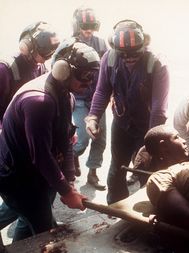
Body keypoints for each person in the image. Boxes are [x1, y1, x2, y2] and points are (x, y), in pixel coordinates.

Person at [0, 38, 100, 241]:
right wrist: (67, 192)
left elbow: (66, 139)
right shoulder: (39, 101)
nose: (89, 83)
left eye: (92, 76)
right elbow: (42, 155)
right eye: (84, 76)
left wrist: (69, 181)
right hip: (16, 176)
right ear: (63, 70)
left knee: (28, 219)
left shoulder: (66, 95)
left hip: (34, 171)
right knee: (46, 231)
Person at [85, 19, 169, 204]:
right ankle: (116, 208)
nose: (129, 59)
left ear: (144, 45)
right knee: (117, 169)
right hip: (121, 123)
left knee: (146, 172)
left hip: (148, 126)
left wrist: (150, 144)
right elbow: (101, 91)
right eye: (124, 55)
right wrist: (92, 117)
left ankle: (149, 210)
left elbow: (159, 109)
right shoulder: (109, 58)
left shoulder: (157, 63)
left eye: (135, 54)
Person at [0, 21, 60, 241]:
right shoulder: (5, 69)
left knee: (25, 205)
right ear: (28, 46)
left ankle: (27, 236)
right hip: (9, 144)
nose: (46, 57)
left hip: (25, 142)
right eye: (43, 52)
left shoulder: (39, 66)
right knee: (23, 199)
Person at [71, 6, 108, 190]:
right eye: (85, 26)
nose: (89, 30)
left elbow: (109, 69)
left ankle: (93, 173)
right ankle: (70, 161)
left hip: (97, 99)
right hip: (77, 99)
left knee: (100, 138)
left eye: (92, 26)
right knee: (82, 139)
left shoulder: (101, 44)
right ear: (77, 25)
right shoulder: (69, 43)